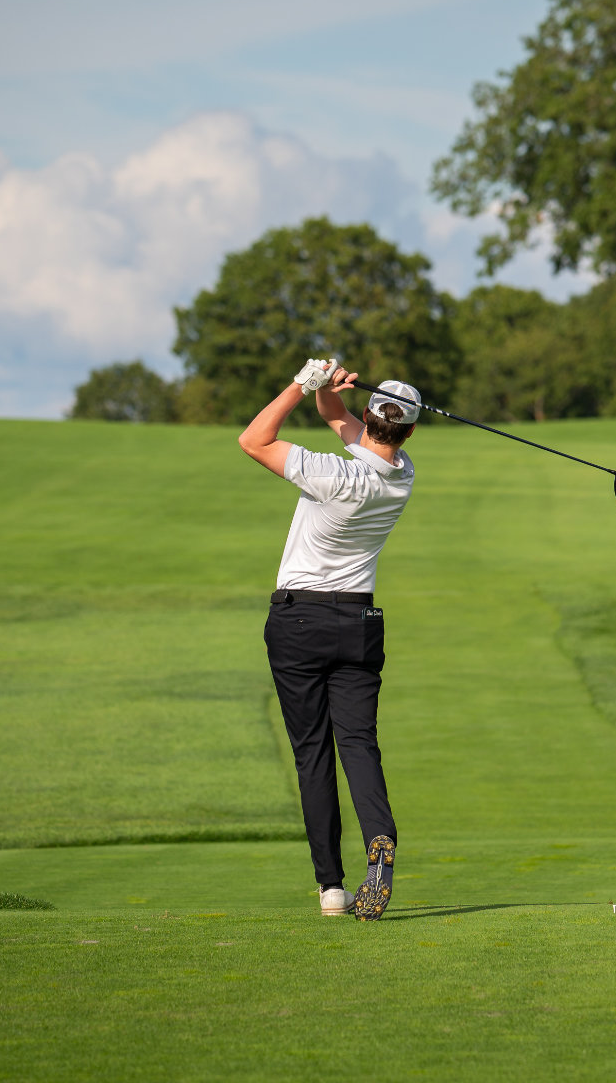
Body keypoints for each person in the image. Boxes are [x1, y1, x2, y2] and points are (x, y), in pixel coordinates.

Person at [237, 358, 421, 920]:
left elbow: (252, 440)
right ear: (408, 431)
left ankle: (331, 889)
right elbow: (341, 422)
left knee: (312, 752)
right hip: (359, 625)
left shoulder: (333, 475)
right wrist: (327, 393)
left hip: (299, 622)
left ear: (373, 417)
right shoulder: (402, 474)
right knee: (359, 744)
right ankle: (379, 839)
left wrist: (299, 382)